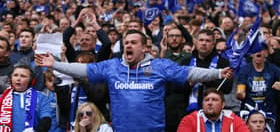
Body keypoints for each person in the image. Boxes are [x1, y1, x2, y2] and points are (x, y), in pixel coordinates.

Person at [35, 29, 233, 132]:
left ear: (144, 48)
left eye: (133, 43)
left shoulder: (159, 66)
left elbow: (190, 72)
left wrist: (217, 74)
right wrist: (55, 64)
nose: (128, 45)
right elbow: (82, 69)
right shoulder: (112, 66)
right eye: (126, 43)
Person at [237, 48, 280, 132]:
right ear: (251, 54)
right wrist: (240, 94)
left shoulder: (274, 69)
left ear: (266, 53)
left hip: (269, 111)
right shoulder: (244, 70)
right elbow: (240, 90)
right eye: (255, 49)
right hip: (249, 112)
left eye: (261, 49)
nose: (258, 52)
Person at [0, 64, 51, 131]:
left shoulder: (41, 97)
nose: (18, 79)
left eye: (23, 76)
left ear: (31, 80)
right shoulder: (2, 98)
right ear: (11, 78)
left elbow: (46, 119)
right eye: (15, 75)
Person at [177, 88, 250, 132]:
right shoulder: (189, 120)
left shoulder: (235, 120)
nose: (210, 103)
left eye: (214, 100)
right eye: (206, 100)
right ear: (202, 104)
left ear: (223, 104)